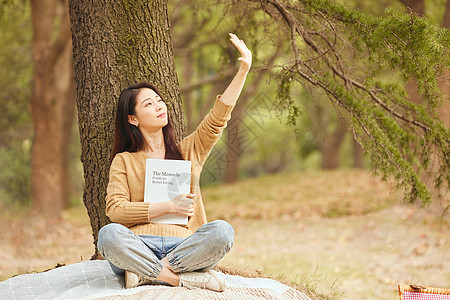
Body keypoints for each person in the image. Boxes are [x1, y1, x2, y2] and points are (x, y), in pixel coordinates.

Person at [97, 33, 252, 292]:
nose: (159, 106)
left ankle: (148, 273)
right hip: (139, 244)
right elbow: (116, 211)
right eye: (149, 103)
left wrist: (243, 71)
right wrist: (167, 206)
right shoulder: (124, 160)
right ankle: (179, 279)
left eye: (159, 100)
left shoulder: (188, 150)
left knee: (223, 231)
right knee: (108, 235)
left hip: (184, 247)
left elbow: (218, 119)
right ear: (133, 119)